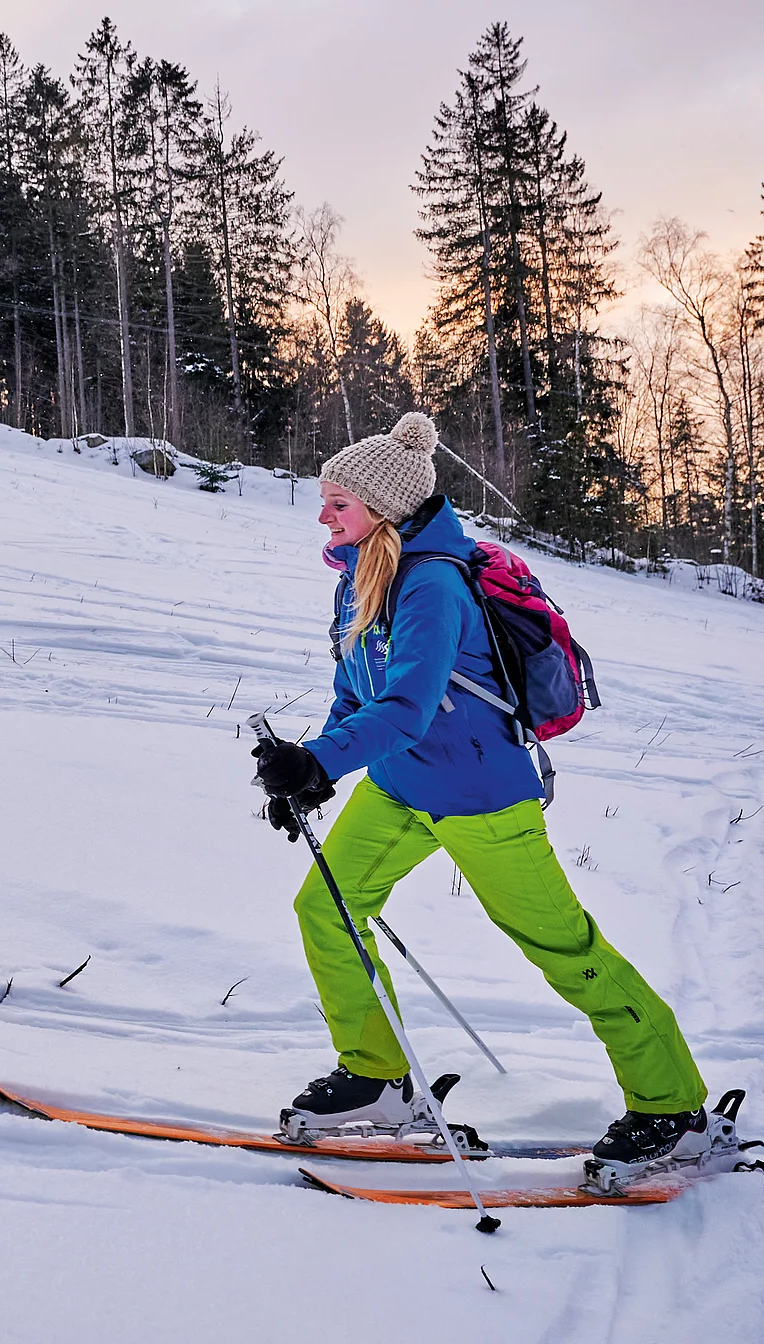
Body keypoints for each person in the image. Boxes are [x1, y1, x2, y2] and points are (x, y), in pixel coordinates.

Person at [251, 411, 714, 1171]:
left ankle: (674, 1107)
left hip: (479, 794)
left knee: (563, 948)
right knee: (326, 908)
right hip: (401, 785)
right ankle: (378, 1078)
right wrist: (313, 768)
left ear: (384, 508)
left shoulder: (433, 585)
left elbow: (408, 706)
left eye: (340, 502)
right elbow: (355, 691)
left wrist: (323, 761)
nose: (324, 514)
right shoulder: (360, 577)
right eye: (326, 498)